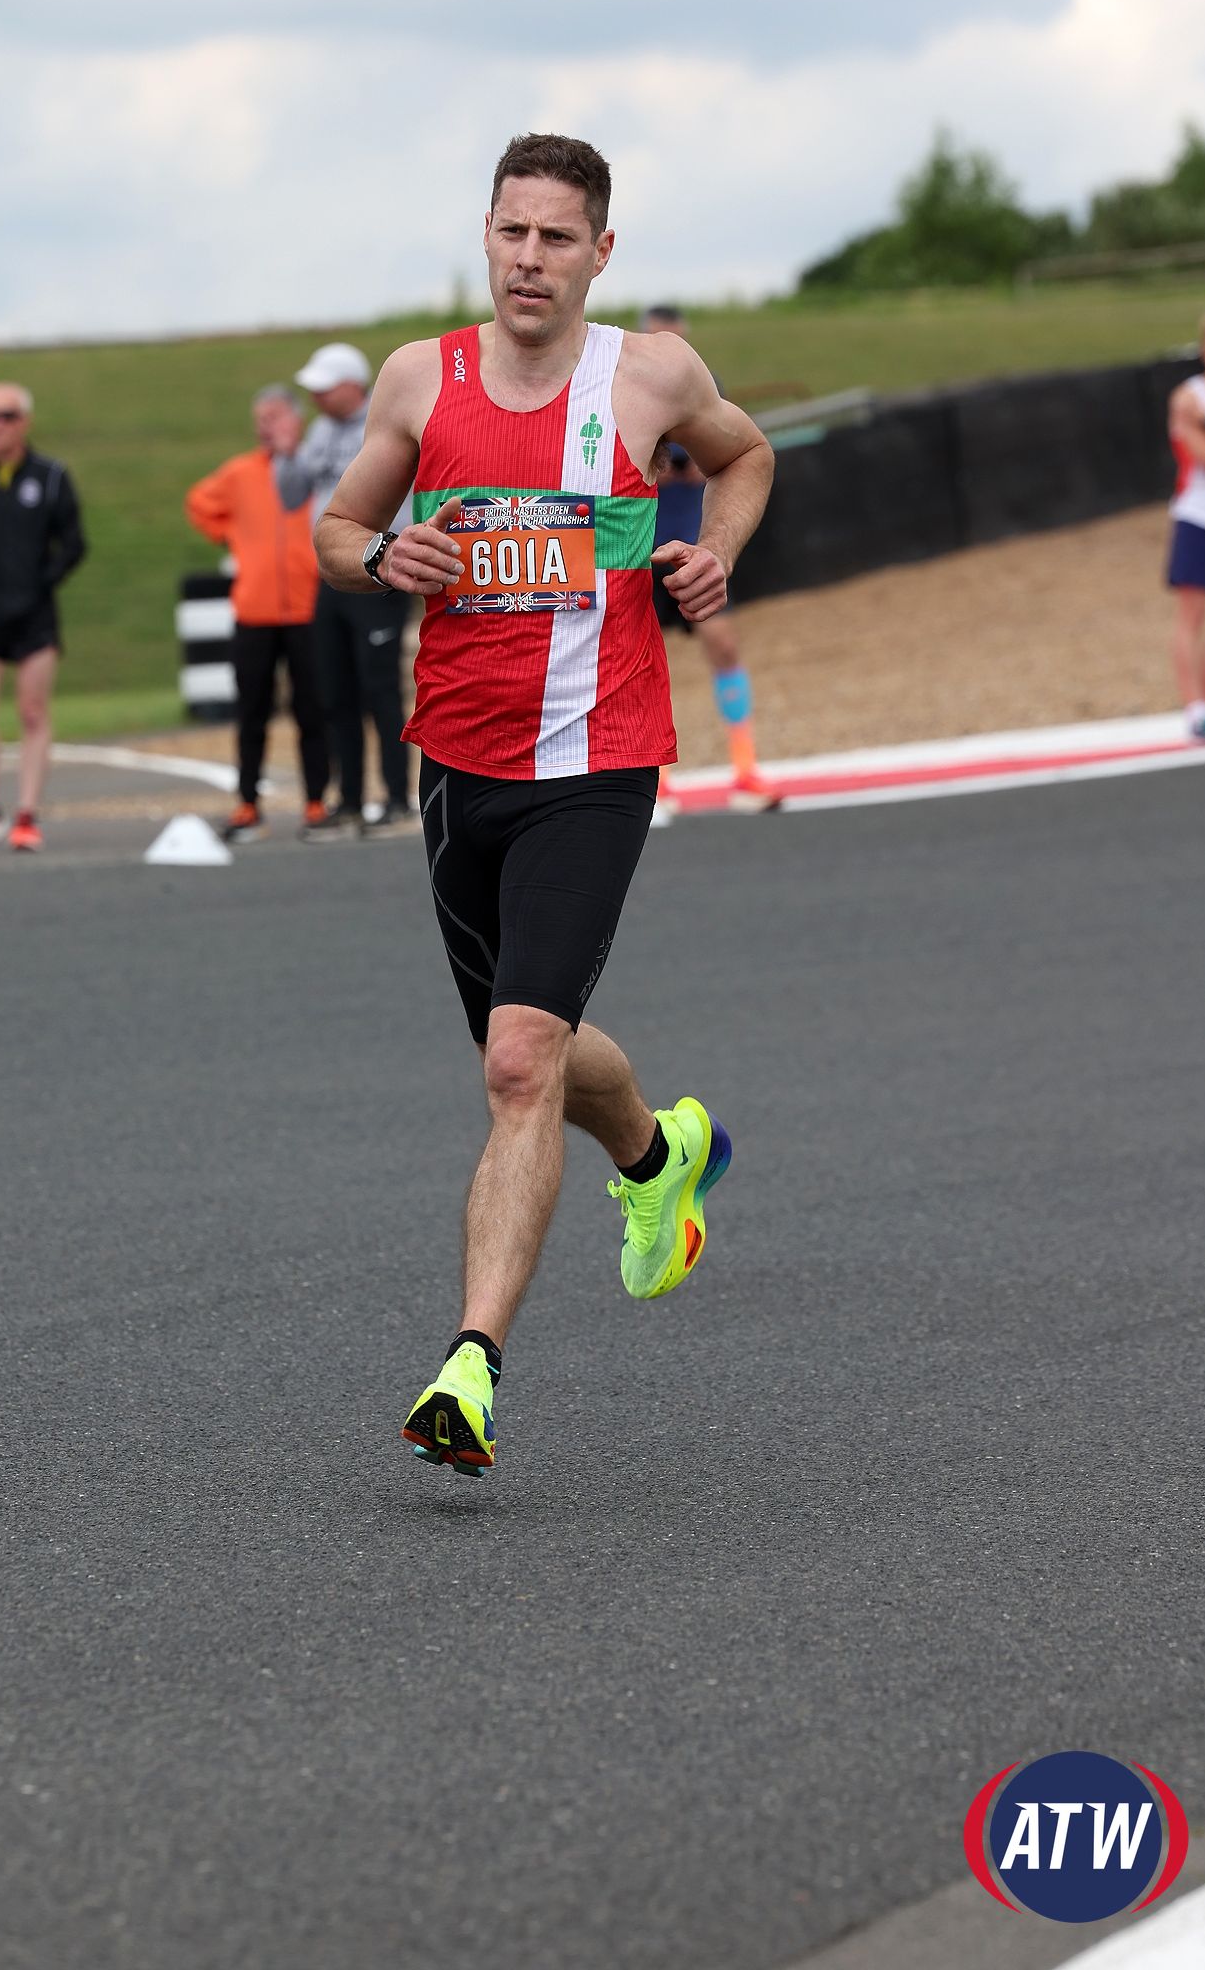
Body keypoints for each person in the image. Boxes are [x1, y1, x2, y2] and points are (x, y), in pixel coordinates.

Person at [315, 131, 774, 1475]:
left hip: (596, 760)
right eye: (511, 231)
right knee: (530, 1047)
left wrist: (714, 553)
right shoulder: (420, 378)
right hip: (457, 767)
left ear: (599, 252)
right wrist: (381, 555)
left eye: (556, 237)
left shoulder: (651, 374)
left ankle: (469, 1369)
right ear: (486, 235)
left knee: (518, 1061)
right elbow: (332, 533)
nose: (530, 258)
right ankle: (658, 1153)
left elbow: (743, 456)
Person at [273, 344, 414, 835]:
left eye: (325, 387)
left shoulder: (385, 422)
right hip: (333, 573)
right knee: (335, 689)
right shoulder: (320, 431)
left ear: (353, 385)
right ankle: (350, 798)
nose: (316, 396)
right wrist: (287, 454)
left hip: (381, 571)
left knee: (380, 689)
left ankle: (397, 796)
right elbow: (290, 496)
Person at [640, 305, 776, 802]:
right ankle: (656, 780)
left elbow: (727, 455)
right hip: (640, 548)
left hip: (693, 544)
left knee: (723, 646)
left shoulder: (702, 387)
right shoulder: (628, 389)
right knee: (639, 663)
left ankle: (745, 766)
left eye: (677, 338)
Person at [185, 387, 329, 842]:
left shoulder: (314, 468)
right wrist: (232, 535)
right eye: (260, 418)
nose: (265, 425)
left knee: (312, 710)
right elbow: (199, 503)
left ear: (297, 420)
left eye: (274, 416)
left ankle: (316, 801)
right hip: (255, 611)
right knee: (252, 712)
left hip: (308, 608)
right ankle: (248, 803)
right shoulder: (240, 472)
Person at [0, 383, 86, 852]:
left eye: (6, 416)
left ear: (24, 421)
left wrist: (42, 582)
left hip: (33, 616)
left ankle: (27, 813)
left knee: (32, 711)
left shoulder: (50, 477)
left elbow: (74, 542)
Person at [1166, 311, 1205, 741]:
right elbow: (1199, 453)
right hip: (1198, 516)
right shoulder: (1189, 397)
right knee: (1192, 614)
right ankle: (1195, 708)